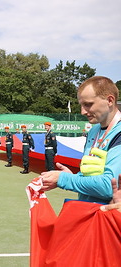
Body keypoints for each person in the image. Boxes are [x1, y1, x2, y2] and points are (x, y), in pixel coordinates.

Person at [41, 76, 121, 204]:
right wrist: (73, 177)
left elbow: (110, 186)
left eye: (88, 104)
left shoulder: (119, 133)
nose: (83, 111)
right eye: (81, 105)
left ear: (110, 100)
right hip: (89, 213)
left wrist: (65, 179)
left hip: (110, 219)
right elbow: (93, 176)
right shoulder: (93, 131)